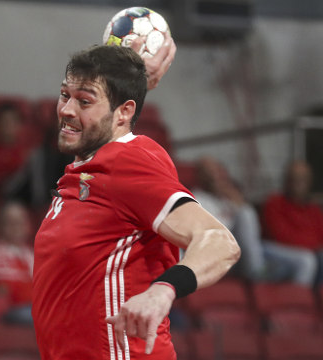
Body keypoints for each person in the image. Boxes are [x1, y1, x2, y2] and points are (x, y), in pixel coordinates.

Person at [32, 45, 240, 359]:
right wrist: (132, 75)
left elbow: (220, 242)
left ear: (125, 112)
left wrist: (163, 290)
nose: (67, 110)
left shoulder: (128, 163)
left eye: (84, 101)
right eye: (65, 95)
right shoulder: (87, 170)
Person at [193, 157, 317, 286]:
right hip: (223, 254)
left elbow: (250, 235)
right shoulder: (196, 198)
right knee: (246, 213)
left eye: (217, 171)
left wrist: (234, 197)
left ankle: (296, 304)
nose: (215, 176)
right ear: (200, 176)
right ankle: (258, 273)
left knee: (306, 261)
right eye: (209, 172)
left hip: (250, 251)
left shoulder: (229, 198)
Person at [263, 160, 323, 285]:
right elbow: (282, 236)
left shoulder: (313, 210)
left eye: (302, 179)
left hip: (311, 254)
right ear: (286, 180)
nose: (297, 183)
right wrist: (313, 247)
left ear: (309, 182)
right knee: (308, 260)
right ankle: (298, 302)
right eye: (293, 178)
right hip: (276, 257)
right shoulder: (274, 203)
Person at [0, 201, 34, 324]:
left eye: (21, 221)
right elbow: (4, 288)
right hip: (14, 308)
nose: (17, 226)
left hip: (34, 306)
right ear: (1, 226)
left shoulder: (31, 252)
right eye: (11, 222)